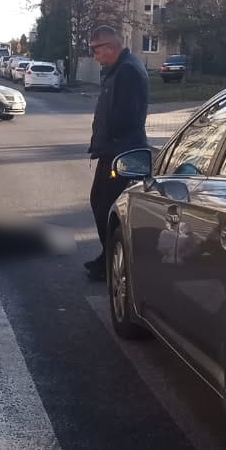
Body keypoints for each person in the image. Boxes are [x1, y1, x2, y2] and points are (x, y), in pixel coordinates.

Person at [84, 23, 150, 282]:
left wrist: (109, 139)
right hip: (113, 150)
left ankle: (113, 261)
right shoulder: (119, 68)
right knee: (100, 203)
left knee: (106, 206)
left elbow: (126, 115)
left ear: (109, 47)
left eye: (96, 50)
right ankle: (108, 256)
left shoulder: (128, 71)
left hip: (122, 152)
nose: (94, 56)